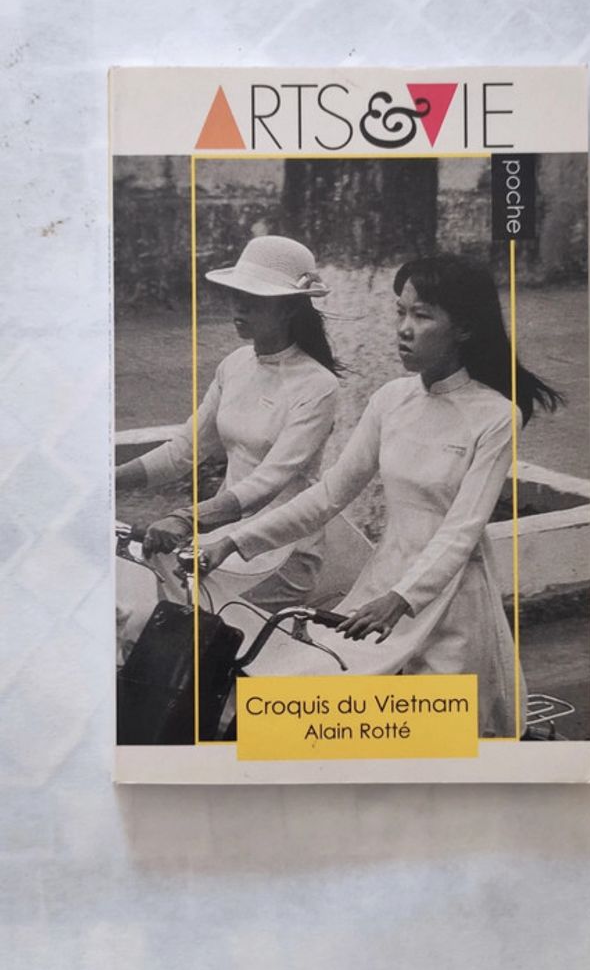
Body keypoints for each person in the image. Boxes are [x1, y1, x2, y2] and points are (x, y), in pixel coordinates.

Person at [199, 255, 562, 737]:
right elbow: (329, 495)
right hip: (381, 585)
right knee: (297, 714)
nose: (404, 329)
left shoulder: (496, 416)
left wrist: (401, 599)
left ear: (465, 328)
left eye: (422, 315)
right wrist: (235, 541)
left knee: (443, 740)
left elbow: (461, 530)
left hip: (450, 604)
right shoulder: (391, 399)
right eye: (400, 312)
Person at [116, 235, 342, 611]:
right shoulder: (235, 364)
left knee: (186, 623)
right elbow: (182, 452)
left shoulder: (318, 385)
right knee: (136, 601)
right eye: (237, 293)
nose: (240, 305)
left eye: (255, 297)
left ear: (289, 308)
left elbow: (268, 482)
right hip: (220, 537)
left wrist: (186, 518)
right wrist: (106, 481)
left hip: (280, 551)